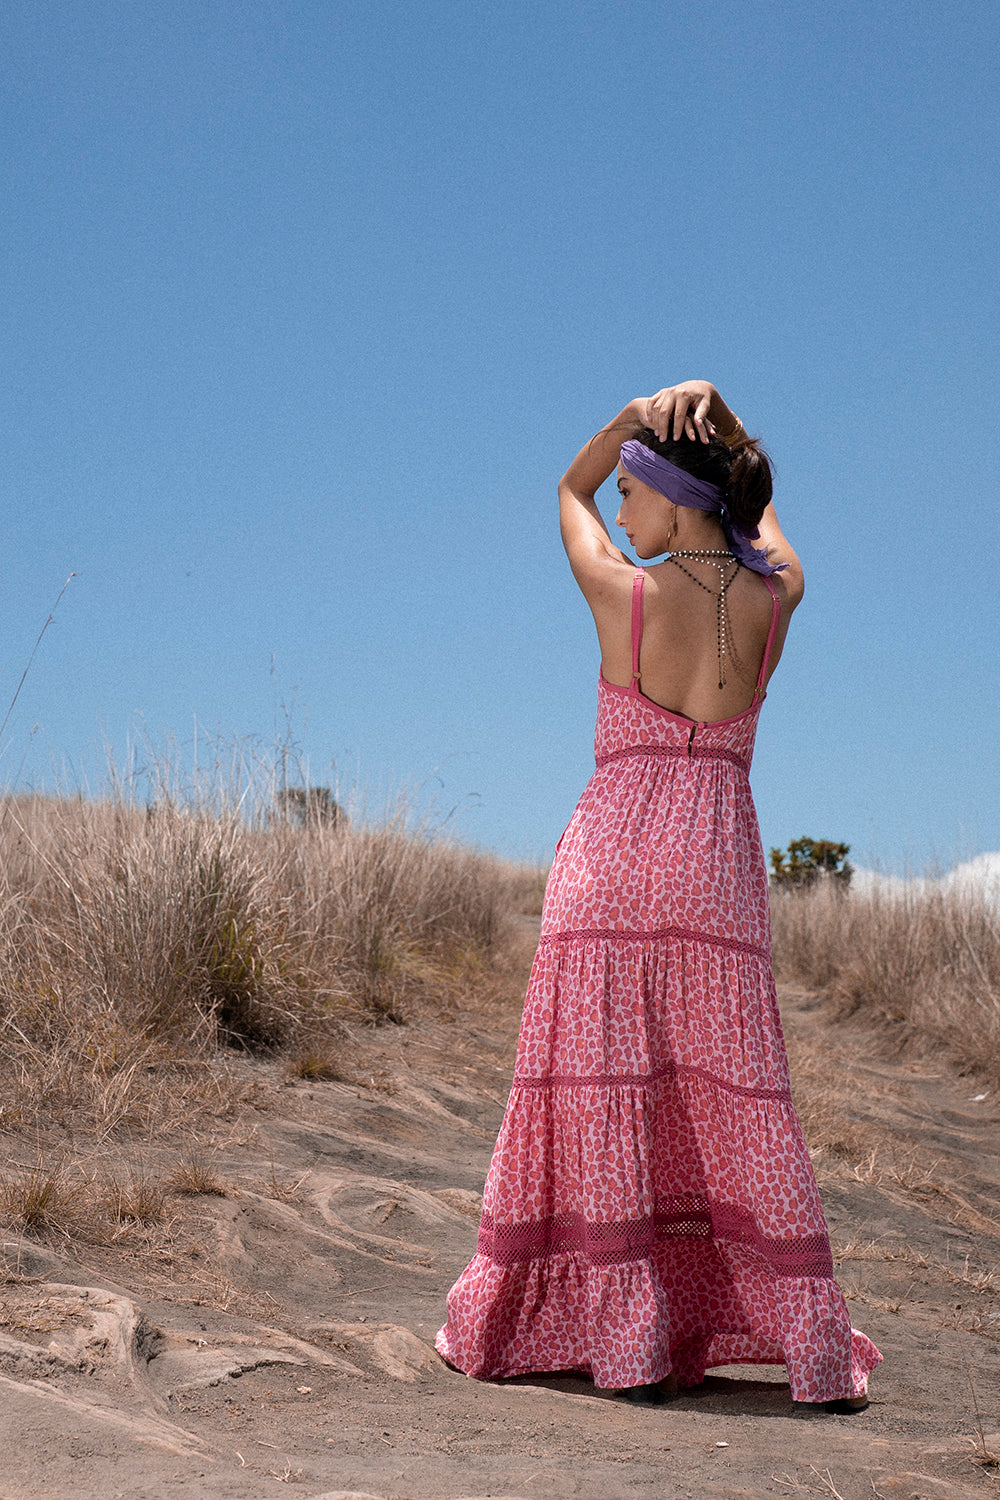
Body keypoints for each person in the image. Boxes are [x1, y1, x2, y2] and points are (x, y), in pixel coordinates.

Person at [436, 380, 881, 1410]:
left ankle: (629, 1347)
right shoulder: (776, 600)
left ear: (676, 504)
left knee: (603, 1095)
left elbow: (566, 489)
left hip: (608, 865)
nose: (623, 514)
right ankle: (809, 1352)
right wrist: (721, 427)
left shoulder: (623, 598)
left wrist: (625, 423)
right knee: (737, 1096)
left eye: (640, 495)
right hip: (716, 869)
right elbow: (763, 523)